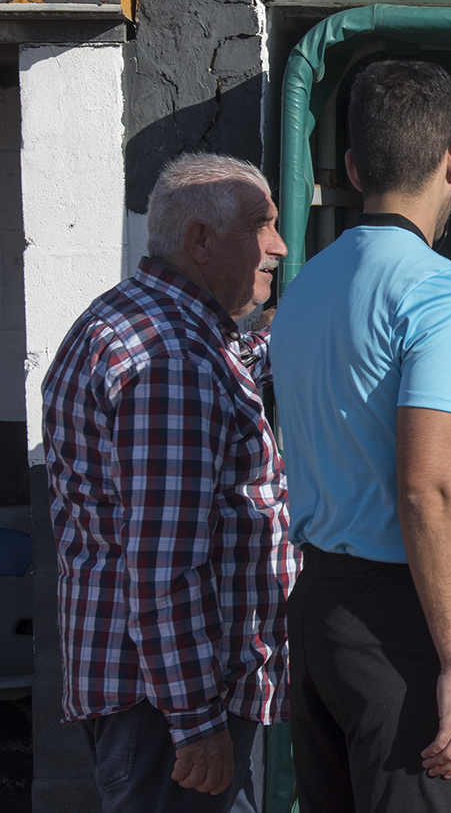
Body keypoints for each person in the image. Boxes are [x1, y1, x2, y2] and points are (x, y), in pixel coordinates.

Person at [41, 152, 296, 812]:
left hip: (153, 695)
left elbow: (225, 369)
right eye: (262, 225)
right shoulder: (174, 361)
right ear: (201, 241)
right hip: (168, 706)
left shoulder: (142, 320)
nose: (279, 246)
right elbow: (165, 562)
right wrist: (196, 724)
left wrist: (292, 335)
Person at [272, 59, 451, 810]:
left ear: (355, 167)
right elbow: (429, 489)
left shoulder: (305, 287)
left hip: (319, 604)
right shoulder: (441, 290)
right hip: (398, 620)